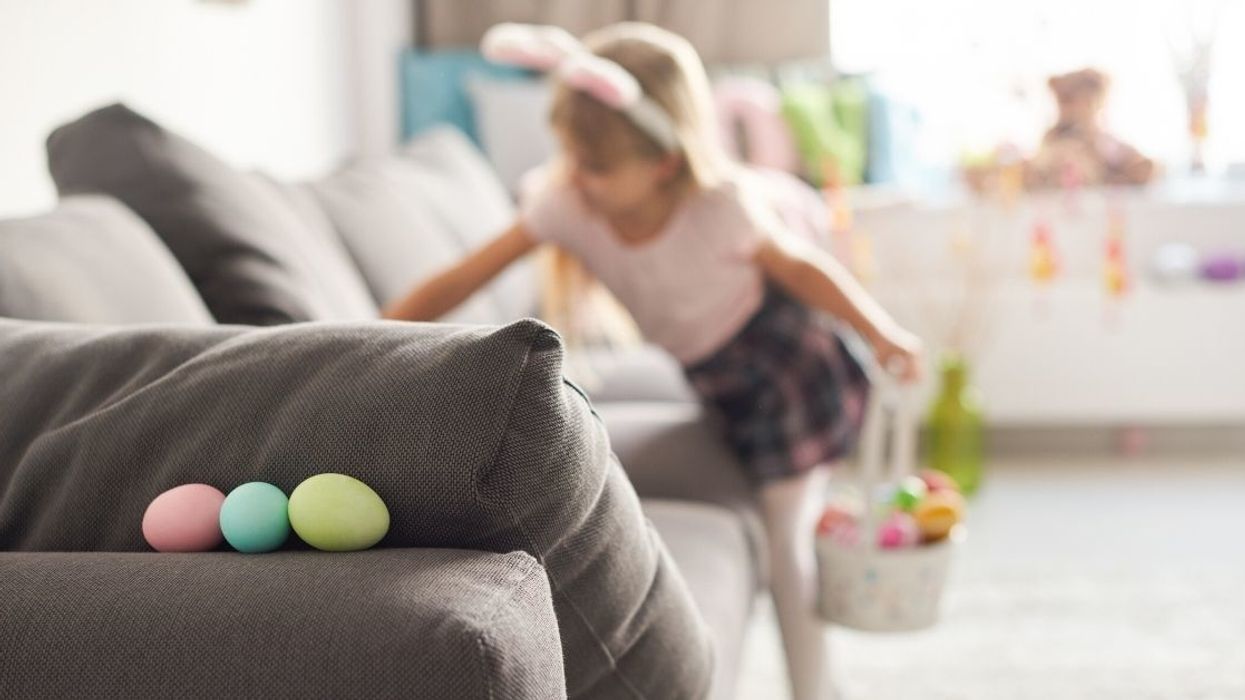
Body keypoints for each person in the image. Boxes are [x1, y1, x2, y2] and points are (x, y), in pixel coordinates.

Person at [384, 21, 924, 700]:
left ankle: (815, 690)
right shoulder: (567, 203)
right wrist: (374, 335)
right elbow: (462, 276)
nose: (576, 176)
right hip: (716, 379)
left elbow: (802, 270)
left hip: (786, 370)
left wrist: (881, 331)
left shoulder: (720, 207)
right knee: (780, 534)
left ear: (664, 161)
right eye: (570, 155)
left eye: (597, 166)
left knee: (786, 546)